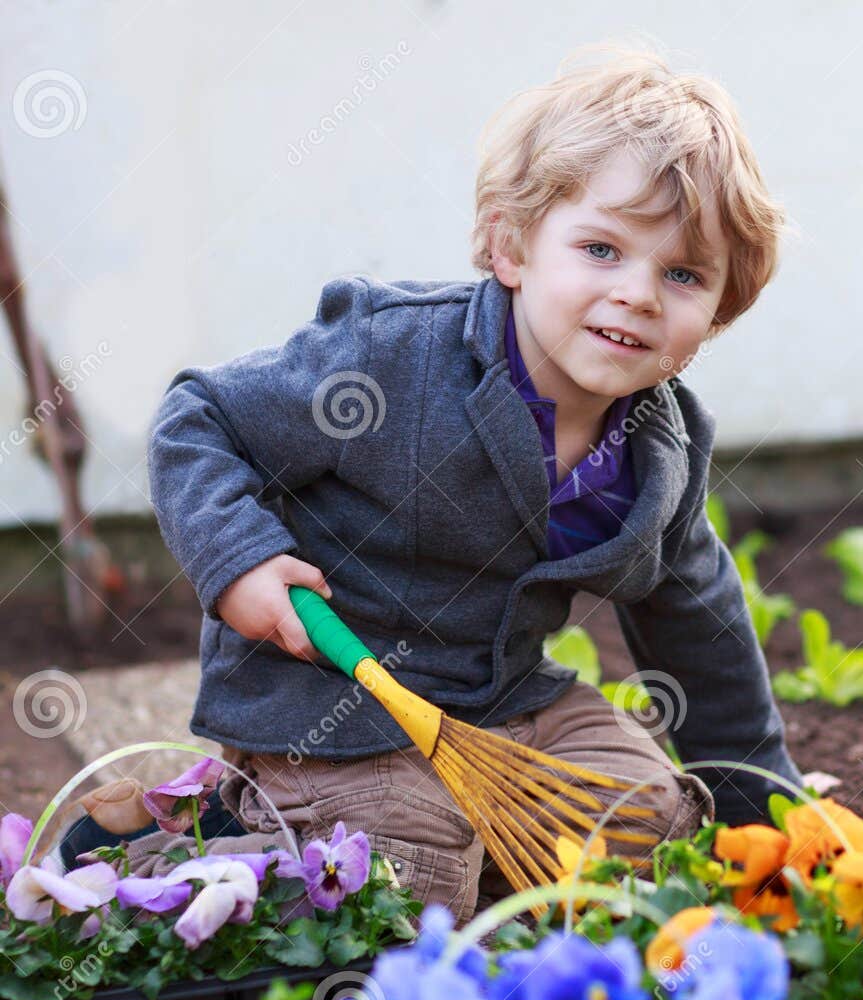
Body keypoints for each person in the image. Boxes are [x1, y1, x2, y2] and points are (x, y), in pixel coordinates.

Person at [67, 45, 800, 924]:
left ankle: (457, 838)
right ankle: (211, 830)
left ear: (717, 311)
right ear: (509, 245)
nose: (639, 293)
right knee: (403, 877)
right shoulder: (391, 359)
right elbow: (200, 419)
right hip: (333, 703)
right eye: (602, 249)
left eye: (683, 274)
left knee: (648, 834)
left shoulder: (657, 450)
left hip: (503, 710)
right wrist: (239, 561)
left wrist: (770, 812)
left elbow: (699, 626)